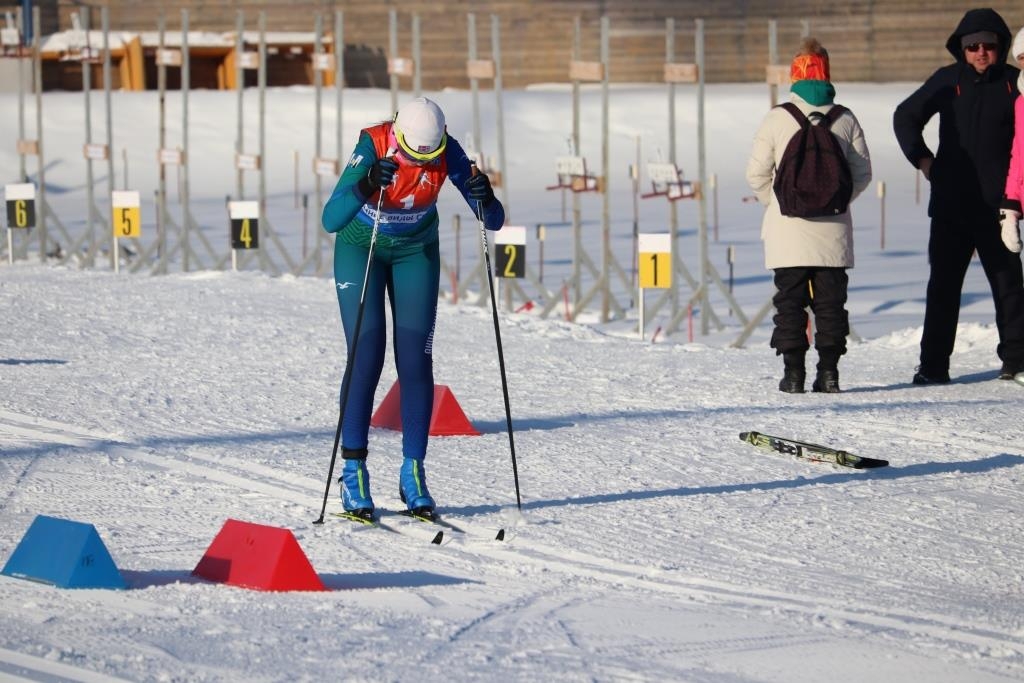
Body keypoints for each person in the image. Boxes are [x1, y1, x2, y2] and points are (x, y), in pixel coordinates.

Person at [321, 97, 505, 520]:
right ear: (399, 137)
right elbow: (331, 219)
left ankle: (413, 474)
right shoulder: (374, 142)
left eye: (430, 155)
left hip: (415, 252)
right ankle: (353, 472)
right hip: (360, 247)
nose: (421, 162)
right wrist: (367, 182)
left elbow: (492, 220)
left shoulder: (447, 148)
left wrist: (486, 196)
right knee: (367, 355)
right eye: (411, 153)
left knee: (417, 361)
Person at [893, 8, 1024, 384]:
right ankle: (934, 366)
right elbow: (905, 115)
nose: (981, 53)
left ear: (1000, 46)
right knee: (944, 288)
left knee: (1009, 286)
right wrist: (923, 160)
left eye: (988, 45)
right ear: (961, 49)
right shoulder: (948, 81)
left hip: (1000, 207)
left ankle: (1016, 361)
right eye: (972, 47)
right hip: (951, 204)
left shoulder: (1015, 84)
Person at [746, 37, 872, 393]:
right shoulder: (844, 118)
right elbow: (862, 174)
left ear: (795, 73)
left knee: (790, 303)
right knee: (831, 305)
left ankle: (793, 375)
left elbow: (755, 175)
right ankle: (829, 374)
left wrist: (780, 203)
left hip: (787, 232)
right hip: (833, 232)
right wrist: (836, 200)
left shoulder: (777, 117)